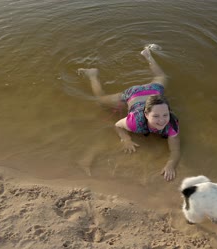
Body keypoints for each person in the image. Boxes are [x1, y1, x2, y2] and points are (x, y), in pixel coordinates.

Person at [77, 45, 180, 181]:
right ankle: (92, 75)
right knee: (100, 100)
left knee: (161, 76)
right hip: (134, 94)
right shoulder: (135, 121)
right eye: (156, 116)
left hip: (154, 90)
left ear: (169, 112)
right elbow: (118, 125)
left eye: (165, 115)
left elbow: (175, 150)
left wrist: (170, 165)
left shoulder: (171, 123)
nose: (162, 120)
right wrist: (126, 139)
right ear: (146, 115)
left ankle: (147, 54)